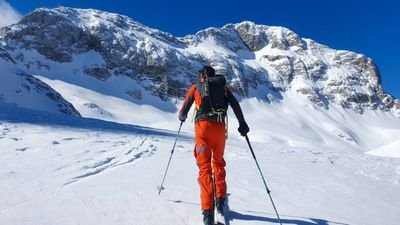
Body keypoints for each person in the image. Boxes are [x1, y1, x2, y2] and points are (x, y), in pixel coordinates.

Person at [179, 65, 249, 225]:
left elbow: (183, 111)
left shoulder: (196, 87)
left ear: (203, 75)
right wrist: (242, 123)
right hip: (219, 129)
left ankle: (207, 211)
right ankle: (220, 201)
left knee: (204, 168)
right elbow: (235, 105)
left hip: (203, 129)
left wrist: (182, 118)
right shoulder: (223, 87)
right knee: (218, 163)